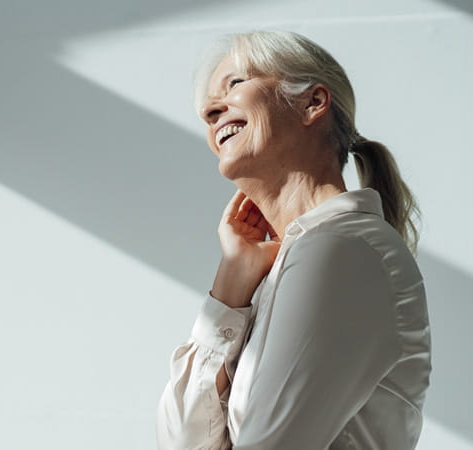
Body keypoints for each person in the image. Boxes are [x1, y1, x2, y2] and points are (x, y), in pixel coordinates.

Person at [156, 31, 432, 449]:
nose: (211, 111)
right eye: (207, 108)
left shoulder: (342, 249)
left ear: (312, 103)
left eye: (234, 83)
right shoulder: (294, 263)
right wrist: (230, 288)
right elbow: (179, 442)